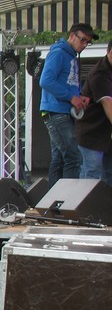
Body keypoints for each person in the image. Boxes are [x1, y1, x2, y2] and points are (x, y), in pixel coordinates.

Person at [39, 23, 98, 189]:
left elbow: (65, 83)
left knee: (59, 158)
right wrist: (72, 98)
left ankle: (54, 203)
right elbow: (45, 80)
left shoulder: (70, 55)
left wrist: (78, 97)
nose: (85, 45)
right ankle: (65, 201)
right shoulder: (58, 52)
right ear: (72, 35)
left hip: (61, 111)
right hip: (56, 111)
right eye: (83, 40)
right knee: (73, 156)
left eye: (88, 42)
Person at [77, 39, 112, 186]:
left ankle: (104, 208)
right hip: (91, 133)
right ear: (109, 51)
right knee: (92, 174)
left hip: (105, 135)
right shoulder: (100, 73)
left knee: (108, 175)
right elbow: (108, 103)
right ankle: (83, 208)